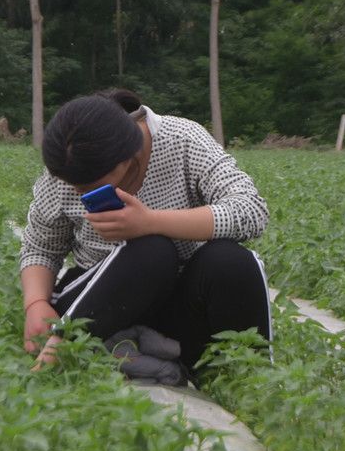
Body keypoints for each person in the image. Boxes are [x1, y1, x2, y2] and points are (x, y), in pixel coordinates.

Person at [20, 89, 272, 383]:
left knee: (227, 261)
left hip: (179, 309)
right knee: (152, 251)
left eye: (90, 184)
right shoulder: (69, 167)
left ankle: (246, 381)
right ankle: (68, 347)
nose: (79, 192)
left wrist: (151, 221)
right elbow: (40, 247)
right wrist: (36, 303)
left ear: (126, 157)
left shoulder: (182, 140)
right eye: (72, 183)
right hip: (98, 303)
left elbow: (250, 210)